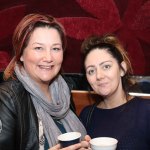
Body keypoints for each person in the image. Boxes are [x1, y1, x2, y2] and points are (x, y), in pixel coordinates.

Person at [0, 13, 89, 150]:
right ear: (21, 54)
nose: (48, 57)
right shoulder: (7, 98)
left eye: (55, 49)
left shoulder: (63, 93)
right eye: (38, 48)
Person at [79, 34, 150, 149]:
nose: (99, 76)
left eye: (106, 66)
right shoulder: (86, 115)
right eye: (91, 71)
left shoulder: (146, 111)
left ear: (122, 69)